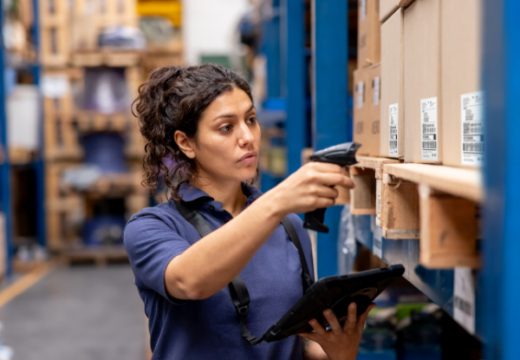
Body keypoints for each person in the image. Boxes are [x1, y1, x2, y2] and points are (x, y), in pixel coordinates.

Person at [124, 64, 375, 360]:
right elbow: (188, 280)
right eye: (226, 127)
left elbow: (298, 342)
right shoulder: (153, 227)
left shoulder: (289, 228)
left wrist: (340, 352)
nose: (248, 137)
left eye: (251, 119)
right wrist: (276, 201)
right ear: (186, 143)